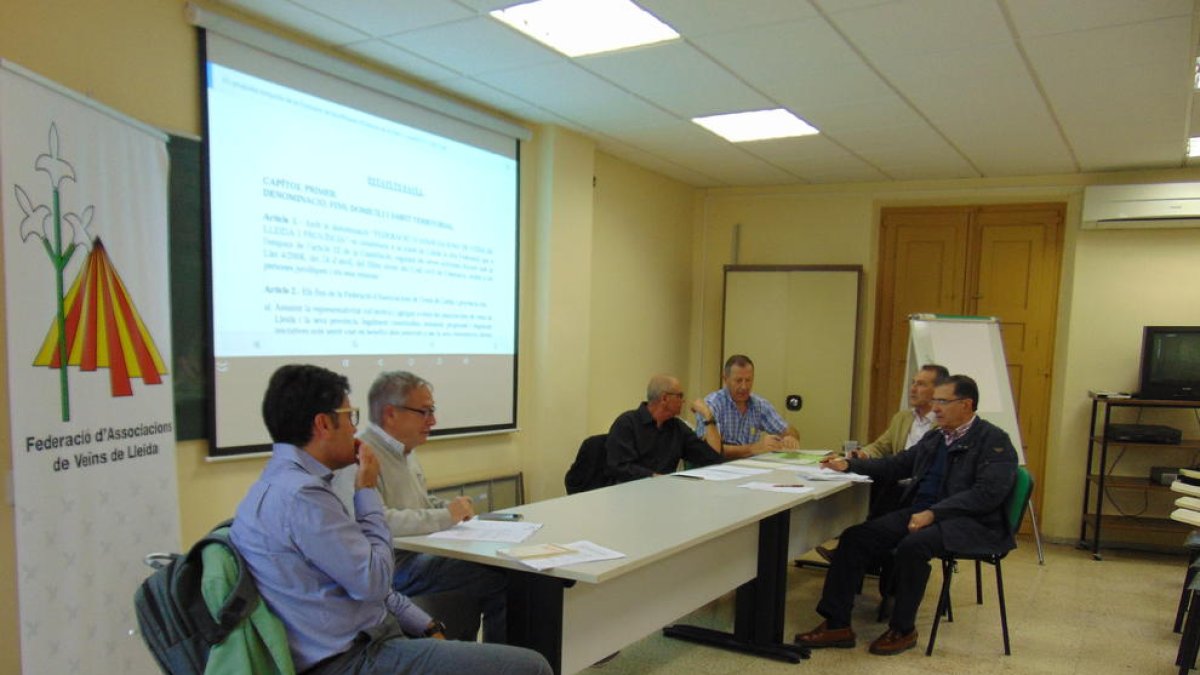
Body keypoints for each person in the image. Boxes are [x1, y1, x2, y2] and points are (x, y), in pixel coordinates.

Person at [230, 364, 551, 675]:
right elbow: (375, 581)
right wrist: (366, 490)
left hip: (368, 634)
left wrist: (425, 624)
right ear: (323, 425)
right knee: (531, 666)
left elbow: (362, 579)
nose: (355, 429)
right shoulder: (306, 498)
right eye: (349, 417)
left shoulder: (279, 485)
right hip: (350, 656)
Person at [794, 374, 1017, 657]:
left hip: (969, 521)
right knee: (855, 537)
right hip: (921, 512)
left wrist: (934, 514)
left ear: (966, 405)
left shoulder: (994, 441)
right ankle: (837, 624)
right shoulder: (936, 437)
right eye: (935, 400)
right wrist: (848, 464)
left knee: (913, 547)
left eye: (943, 401)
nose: (935, 407)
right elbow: (897, 465)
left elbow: (986, 495)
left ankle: (903, 629)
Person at [331, 371, 509, 643]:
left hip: (417, 556)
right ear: (391, 414)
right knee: (496, 576)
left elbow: (419, 502)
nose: (433, 421)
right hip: (395, 568)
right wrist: (445, 516)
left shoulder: (403, 451)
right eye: (425, 412)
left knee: (495, 563)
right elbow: (377, 522)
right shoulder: (361, 456)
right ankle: (501, 662)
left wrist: (449, 507)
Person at [604, 374, 725, 483]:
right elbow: (619, 467)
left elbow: (712, 457)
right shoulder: (627, 424)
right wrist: (656, 477)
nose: (683, 401)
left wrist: (708, 416)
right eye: (680, 396)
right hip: (630, 494)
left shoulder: (677, 427)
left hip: (666, 491)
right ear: (664, 398)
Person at [695, 354, 800, 453]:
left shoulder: (759, 404)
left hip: (749, 467)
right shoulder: (712, 404)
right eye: (738, 381)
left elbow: (788, 429)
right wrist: (753, 448)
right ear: (725, 379)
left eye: (748, 380)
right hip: (718, 468)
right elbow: (710, 449)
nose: (744, 387)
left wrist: (790, 438)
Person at [852, 364, 949, 460]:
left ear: (938, 390)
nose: (913, 389)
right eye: (913, 383)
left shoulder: (945, 421)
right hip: (899, 473)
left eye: (921, 384)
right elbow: (879, 447)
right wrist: (863, 454)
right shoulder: (902, 418)